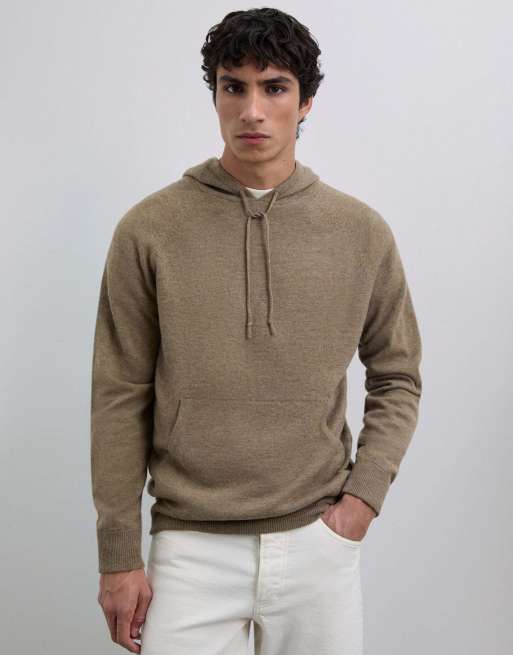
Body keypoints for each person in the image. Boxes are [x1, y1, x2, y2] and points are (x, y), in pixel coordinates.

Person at [90, 7, 422, 655]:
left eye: (274, 88)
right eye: (232, 86)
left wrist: (360, 502)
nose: (252, 110)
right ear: (214, 95)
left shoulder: (360, 232)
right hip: (189, 546)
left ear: (305, 101)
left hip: (317, 541)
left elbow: (397, 375)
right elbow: (118, 394)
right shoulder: (148, 229)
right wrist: (118, 554)